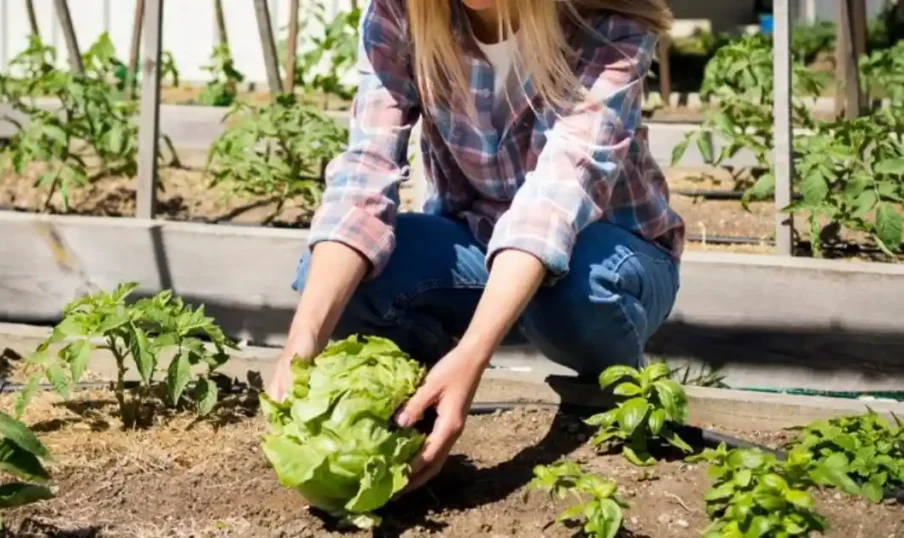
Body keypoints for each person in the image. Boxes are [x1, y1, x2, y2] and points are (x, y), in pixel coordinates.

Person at [266, 0, 685, 492]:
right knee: (343, 281)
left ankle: (613, 393)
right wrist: (301, 342)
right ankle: (417, 399)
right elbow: (364, 173)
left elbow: (557, 196)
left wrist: (474, 355)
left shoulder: (607, 21)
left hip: (610, 254)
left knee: (572, 289)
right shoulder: (402, 13)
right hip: (476, 244)